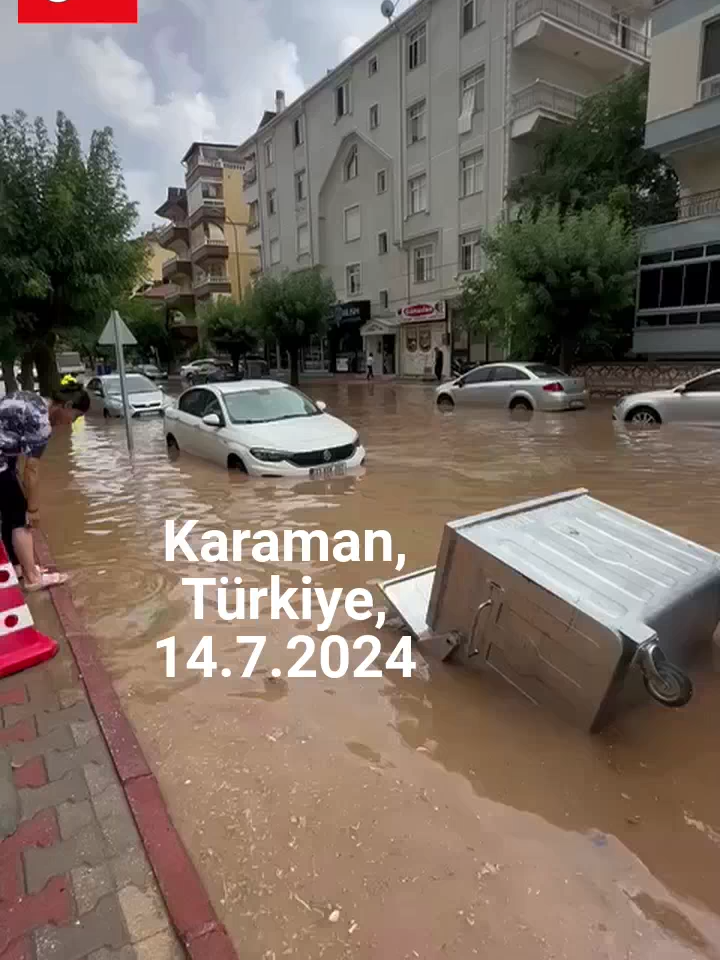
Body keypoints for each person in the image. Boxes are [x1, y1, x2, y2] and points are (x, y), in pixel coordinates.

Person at [0, 380, 90, 591]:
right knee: (19, 517)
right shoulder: (42, 424)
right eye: (75, 417)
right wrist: (33, 509)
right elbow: (31, 470)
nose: (70, 423)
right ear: (66, 406)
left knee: (9, 511)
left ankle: (19, 567)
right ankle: (33, 578)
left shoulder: (34, 399)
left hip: (4, 456)